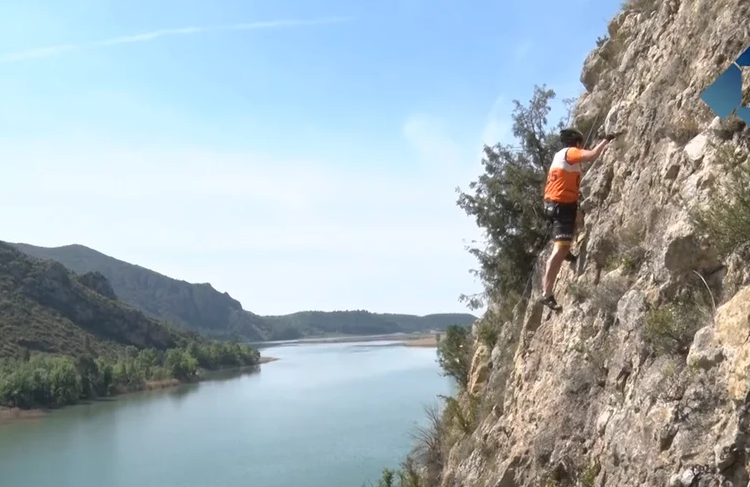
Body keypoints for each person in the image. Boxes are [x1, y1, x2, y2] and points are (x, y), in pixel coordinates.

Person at [539, 127, 613, 311]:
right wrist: (606, 140)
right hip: (560, 206)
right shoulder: (570, 152)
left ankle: (568, 250)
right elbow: (592, 155)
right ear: (577, 142)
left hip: (562, 204)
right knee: (559, 250)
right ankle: (546, 294)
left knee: (579, 218)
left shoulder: (561, 155)